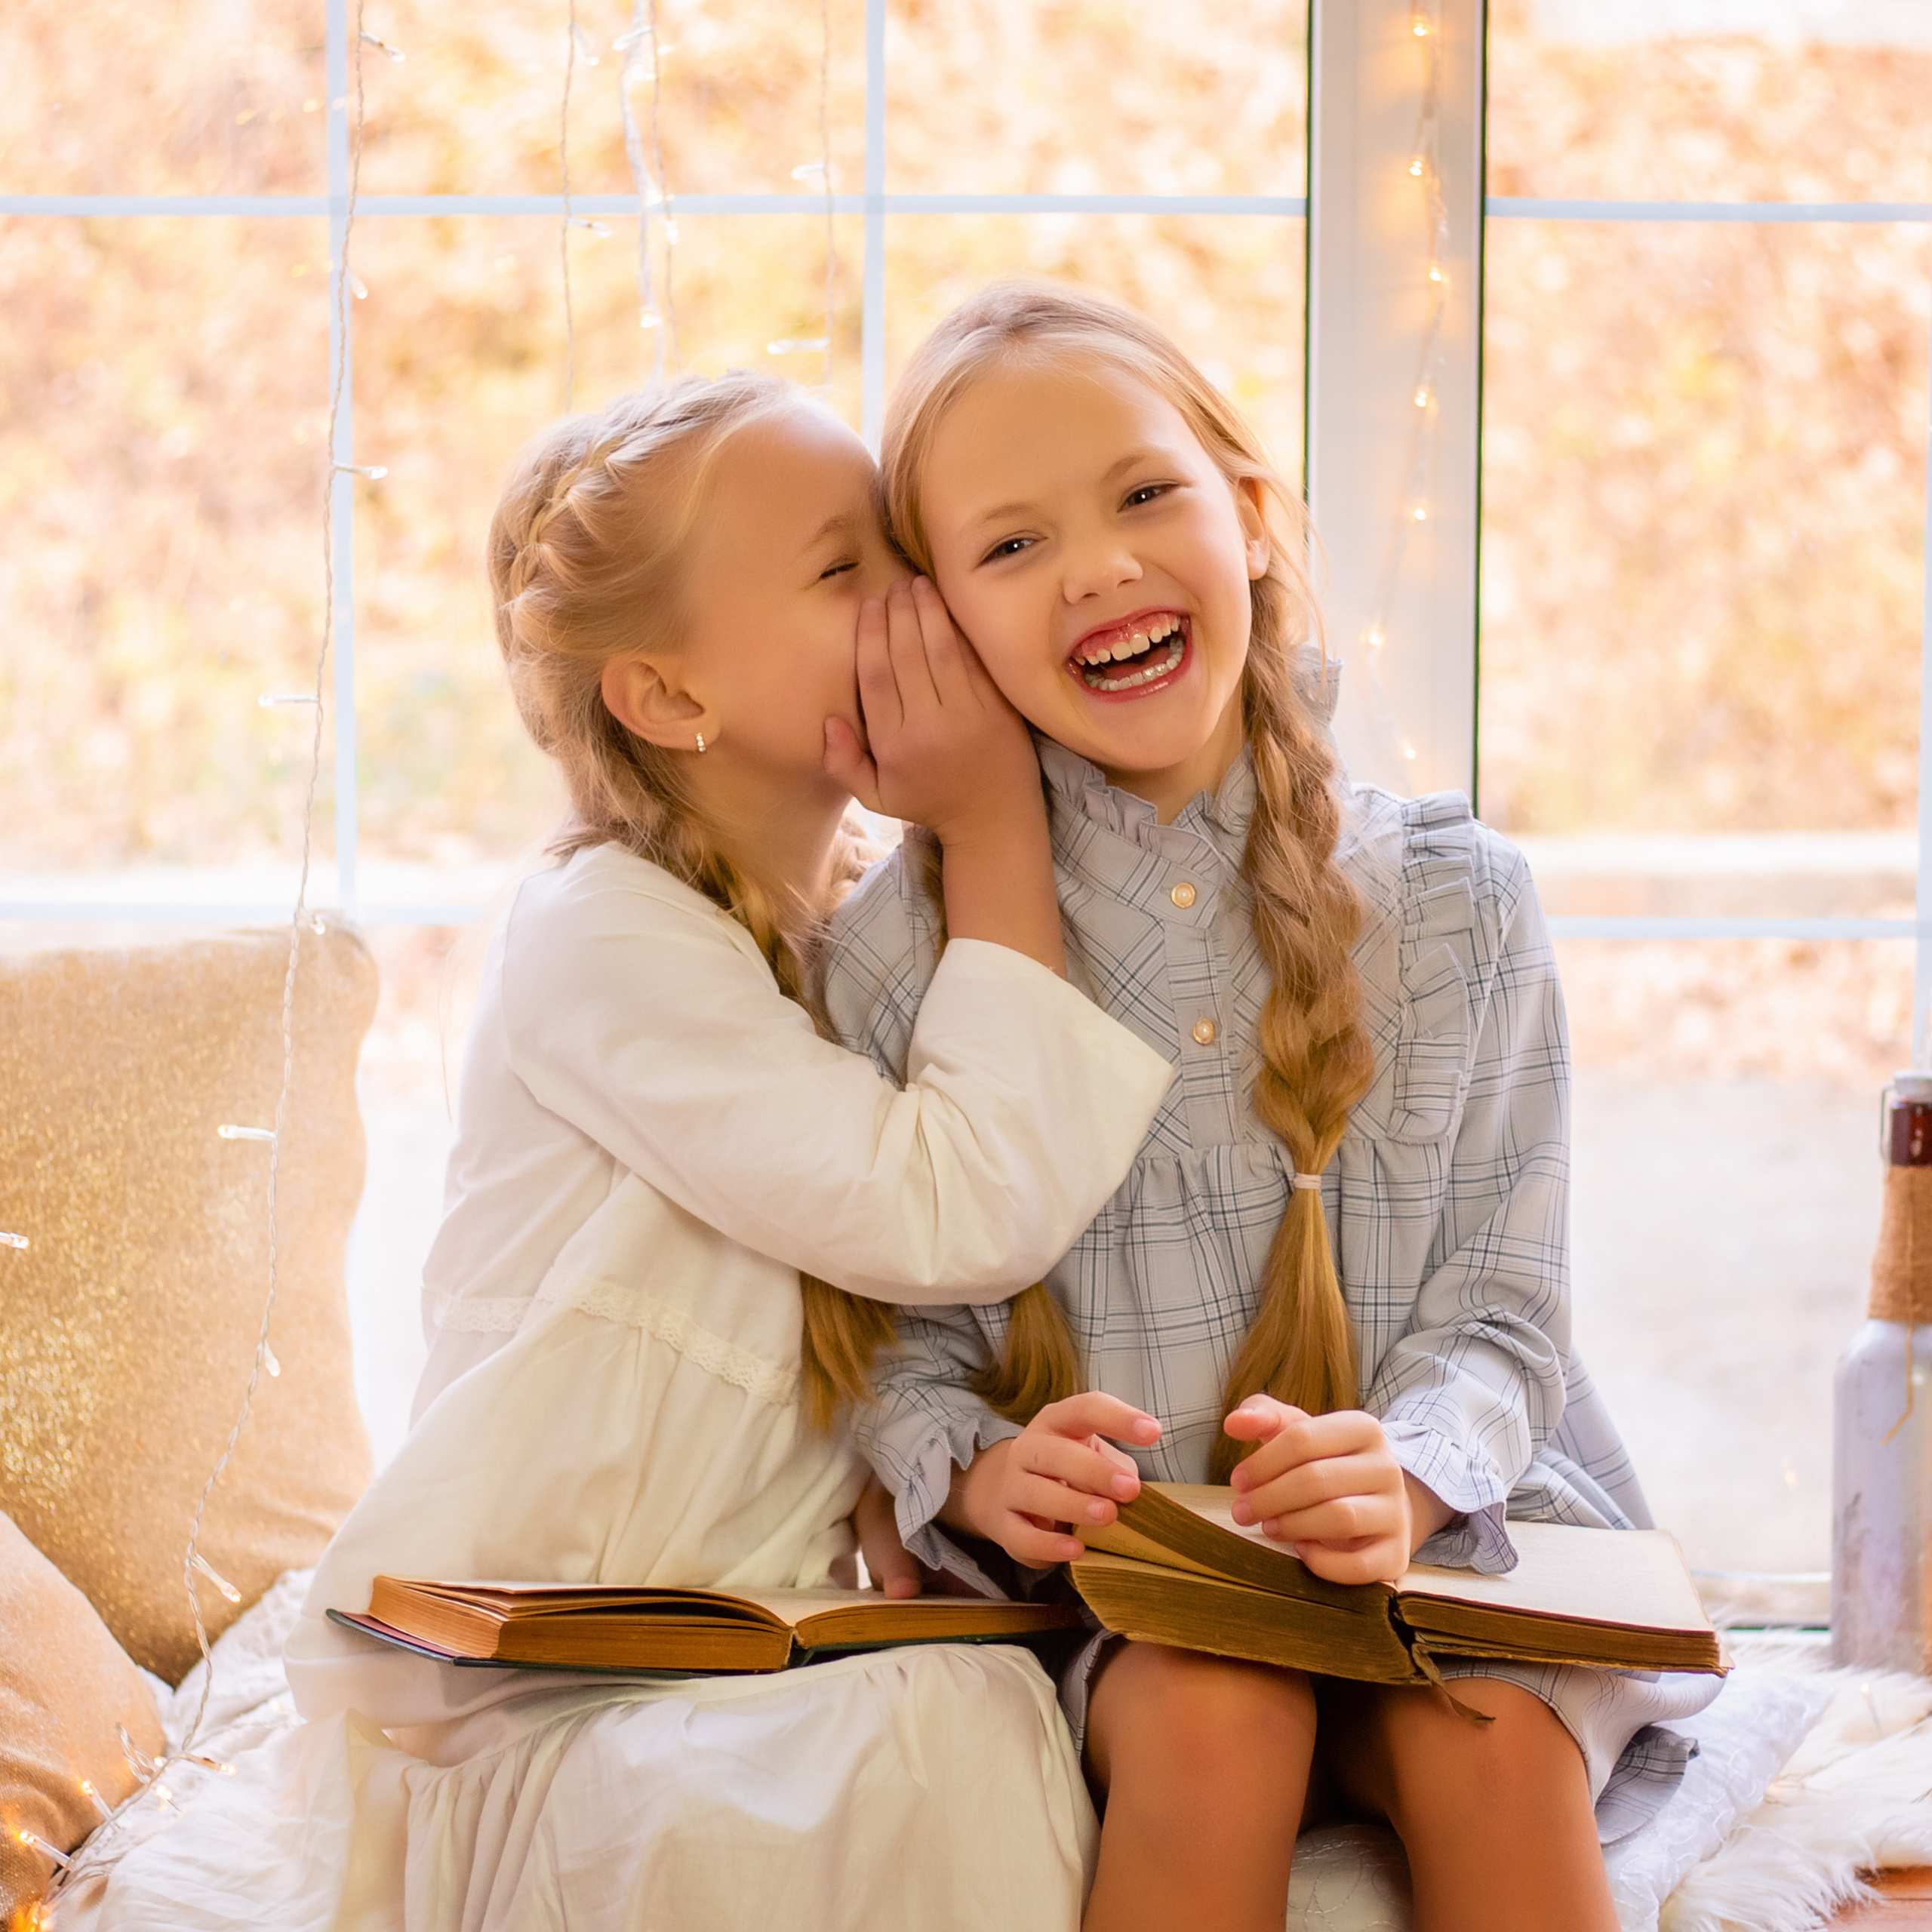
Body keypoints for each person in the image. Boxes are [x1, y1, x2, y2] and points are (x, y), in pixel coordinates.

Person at [69, 372, 1172, 1931]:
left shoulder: (848, 929)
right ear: (664, 697)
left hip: (752, 1613)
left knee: (961, 1716)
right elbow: (947, 1204)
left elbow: (891, 1305)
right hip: (545, 1665)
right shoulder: (602, 934)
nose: (910, 590)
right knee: (896, 1751)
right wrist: (993, 819)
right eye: (843, 564)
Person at [823, 284, 1721, 1932]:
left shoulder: (1455, 899)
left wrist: (1415, 1467)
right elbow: (893, 1333)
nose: (1094, 565)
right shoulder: (901, 960)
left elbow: (1503, 1314)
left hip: (1446, 1561)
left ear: (1243, 516)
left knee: (1491, 1748)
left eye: (1141, 495)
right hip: (1140, 1613)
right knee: (1214, 1715)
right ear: (940, 620)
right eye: (1010, 547)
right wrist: (971, 1467)